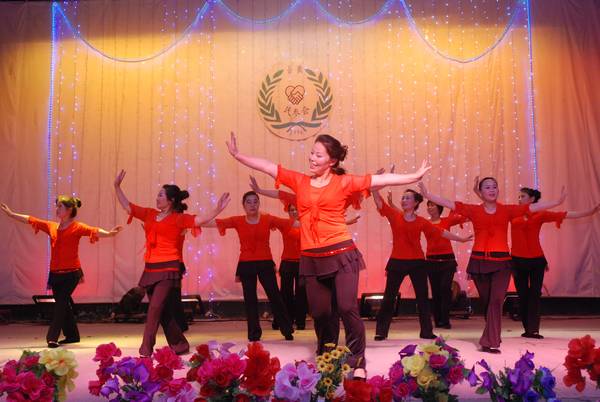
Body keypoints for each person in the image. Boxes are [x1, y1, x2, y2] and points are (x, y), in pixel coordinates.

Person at [226, 131, 431, 378]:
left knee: (346, 306)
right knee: (321, 313)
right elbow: (269, 167)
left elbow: (379, 179)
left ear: (332, 161)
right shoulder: (300, 181)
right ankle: (327, 355)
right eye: (312, 153)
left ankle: (357, 361)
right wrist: (238, 156)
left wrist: (414, 176)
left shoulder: (344, 182)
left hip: (342, 253)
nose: (312, 158)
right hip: (312, 258)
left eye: (318, 155)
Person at [419, 178, 566, 353]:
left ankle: (490, 341)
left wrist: (557, 202)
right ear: (481, 192)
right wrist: (428, 194)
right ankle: (492, 333)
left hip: (502, 263)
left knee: (496, 301)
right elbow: (449, 203)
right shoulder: (474, 210)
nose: (492, 190)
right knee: (488, 302)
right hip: (479, 262)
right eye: (487, 187)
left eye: (494, 187)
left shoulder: (507, 210)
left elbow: (532, 208)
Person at [114, 169, 230, 356]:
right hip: (150, 268)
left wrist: (217, 209)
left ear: (171, 200)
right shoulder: (150, 214)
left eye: (161, 195)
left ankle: (145, 349)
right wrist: (117, 186)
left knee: (154, 308)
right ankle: (180, 345)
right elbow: (128, 206)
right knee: (164, 311)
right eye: (158, 195)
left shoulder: (179, 219)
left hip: (168, 268)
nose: (157, 198)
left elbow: (200, 219)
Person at [474, 180, 600, 339]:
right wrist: (478, 192)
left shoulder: (541, 214)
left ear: (532, 199)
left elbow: (566, 214)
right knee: (523, 295)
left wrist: (589, 212)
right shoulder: (513, 213)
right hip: (517, 260)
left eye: (523, 196)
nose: (519, 199)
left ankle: (533, 330)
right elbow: (491, 205)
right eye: (519, 197)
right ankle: (527, 328)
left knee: (534, 295)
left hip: (537, 260)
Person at [1, 198, 122, 348]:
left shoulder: (77, 227)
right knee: (62, 303)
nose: (57, 209)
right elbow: (31, 220)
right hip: (55, 274)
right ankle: (72, 335)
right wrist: (12, 214)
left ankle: (52, 337)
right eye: (56, 206)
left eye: (60, 206)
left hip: (71, 274)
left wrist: (109, 233)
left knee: (60, 305)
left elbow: (94, 231)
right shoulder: (52, 226)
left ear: (69, 210)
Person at [249, 176, 361, 332]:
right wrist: (260, 190)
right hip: (293, 262)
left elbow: (329, 219)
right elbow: (280, 194)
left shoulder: (323, 206)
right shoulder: (293, 216)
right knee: (289, 294)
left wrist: (373, 185)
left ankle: (302, 322)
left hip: (313, 259)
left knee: (307, 295)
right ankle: (287, 322)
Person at [371, 187, 471, 341]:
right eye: (403, 198)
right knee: (389, 297)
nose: (404, 200)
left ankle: (426, 331)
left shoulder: (421, 222)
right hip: (397, 261)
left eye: (407, 198)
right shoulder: (395, 215)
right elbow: (379, 203)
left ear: (416, 202)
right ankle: (381, 331)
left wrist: (462, 239)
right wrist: (374, 188)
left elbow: (441, 232)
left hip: (417, 262)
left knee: (422, 298)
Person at [201, 191, 295, 341]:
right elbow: (210, 223)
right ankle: (254, 334)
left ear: (259, 204)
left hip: (265, 263)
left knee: (275, 296)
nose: (252, 205)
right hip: (246, 264)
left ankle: (287, 330)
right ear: (243, 205)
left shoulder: (267, 219)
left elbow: (291, 223)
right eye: (249, 202)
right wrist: (213, 211)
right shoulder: (238, 220)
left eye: (255, 201)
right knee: (250, 300)